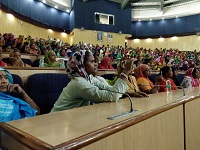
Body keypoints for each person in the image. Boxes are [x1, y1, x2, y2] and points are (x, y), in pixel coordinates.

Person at [51, 50, 133, 112]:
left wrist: (128, 93)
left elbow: (109, 89)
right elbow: (113, 96)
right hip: (58, 120)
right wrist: (125, 72)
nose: (95, 64)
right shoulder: (79, 83)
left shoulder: (89, 78)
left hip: (73, 118)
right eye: (92, 61)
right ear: (82, 64)